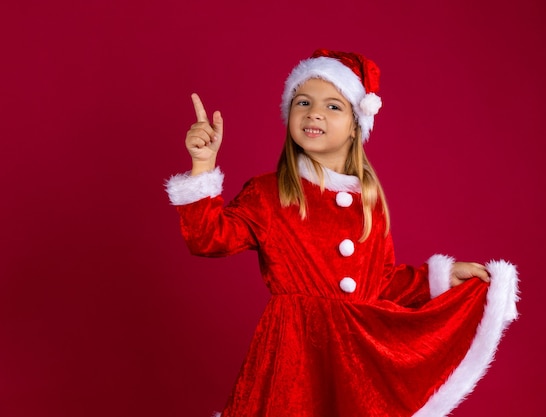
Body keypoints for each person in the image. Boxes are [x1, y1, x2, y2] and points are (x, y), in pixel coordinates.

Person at [165, 49, 519, 417]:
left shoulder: (369, 202)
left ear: (356, 124)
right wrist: (203, 165)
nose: (314, 112)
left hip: (356, 357)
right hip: (294, 353)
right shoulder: (269, 193)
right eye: (303, 102)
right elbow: (208, 238)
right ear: (289, 115)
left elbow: (380, 282)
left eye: (333, 106)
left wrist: (441, 277)